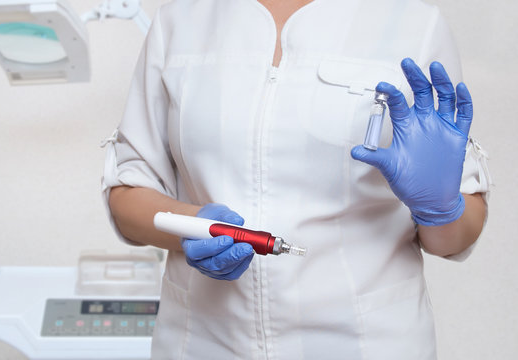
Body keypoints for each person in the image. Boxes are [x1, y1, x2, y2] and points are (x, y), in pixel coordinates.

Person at [101, 0, 491, 358]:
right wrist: (192, 229)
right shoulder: (181, 21)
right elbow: (129, 192)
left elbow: (454, 236)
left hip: (366, 342)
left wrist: (440, 207)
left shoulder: (412, 23)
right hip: (203, 341)